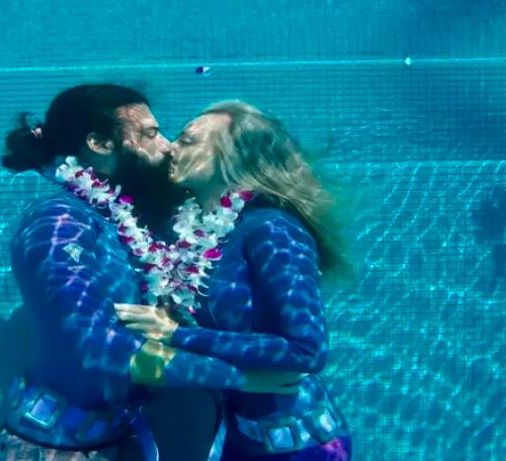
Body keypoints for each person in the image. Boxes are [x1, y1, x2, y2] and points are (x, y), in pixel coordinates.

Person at [0, 87, 303, 461]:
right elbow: (93, 345)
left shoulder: (120, 220)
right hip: (54, 447)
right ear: (99, 142)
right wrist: (239, 378)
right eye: (150, 134)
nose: (167, 146)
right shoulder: (59, 222)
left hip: (116, 439)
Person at [116, 101, 353, 460]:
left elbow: (308, 350)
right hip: (239, 438)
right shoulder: (198, 232)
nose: (170, 147)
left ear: (232, 159)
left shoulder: (273, 229)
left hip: (300, 447)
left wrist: (175, 334)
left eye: (187, 140)